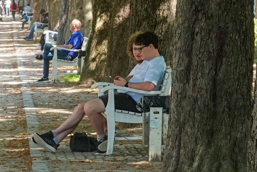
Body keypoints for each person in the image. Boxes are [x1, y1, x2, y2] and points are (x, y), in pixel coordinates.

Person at [32, 31, 166, 153]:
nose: (137, 52)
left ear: (151, 46)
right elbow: (132, 79)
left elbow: (149, 86)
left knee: (89, 107)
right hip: (125, 96)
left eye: (140, 48)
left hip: (136, 102)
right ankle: (54, 139)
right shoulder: (144, 63)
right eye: (135, 49)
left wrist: (126, 84)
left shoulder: (156, 63)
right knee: (81, 107)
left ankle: (102, 138)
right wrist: (124, 80)